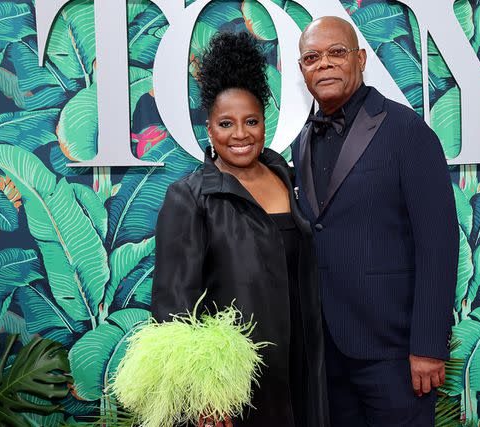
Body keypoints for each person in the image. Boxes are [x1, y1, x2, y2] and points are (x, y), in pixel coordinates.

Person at [152, 32, 329, 427]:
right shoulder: (190, 197)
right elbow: (173, 311)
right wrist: (203, 396)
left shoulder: (289, 179)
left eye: (251, 121)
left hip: (301, 369)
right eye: (226, 123)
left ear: (265, 121)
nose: (240, 134)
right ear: (210, 130)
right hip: (236, 388)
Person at [292, 16, 459, 427]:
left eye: (336, 53)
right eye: (312, 57)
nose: (324, 64)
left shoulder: (407, 131)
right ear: (302, 70)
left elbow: (438, 244)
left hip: (396, 353)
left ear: (361, 59)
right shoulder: (301, 142)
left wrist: (427, 346)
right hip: (328, 354)